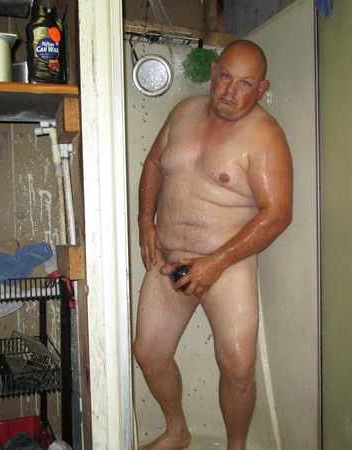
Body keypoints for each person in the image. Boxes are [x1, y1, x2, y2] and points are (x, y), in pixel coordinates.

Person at [133, 40, 293, 450]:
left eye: (245, 84)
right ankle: (177, 432)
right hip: (168, 259)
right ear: (213, 71)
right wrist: (145, 220)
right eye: (226, 77)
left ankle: (236, 447)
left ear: (261, 89)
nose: (230, 91)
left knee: (237, 365)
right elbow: (154, 163)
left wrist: (215, 263)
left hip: (227, 267)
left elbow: (277, 214)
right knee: (149, 353)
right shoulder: (182, 112)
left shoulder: (265, 134)